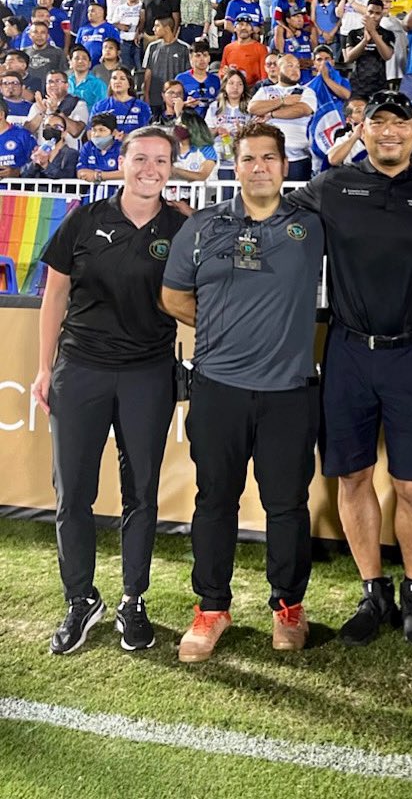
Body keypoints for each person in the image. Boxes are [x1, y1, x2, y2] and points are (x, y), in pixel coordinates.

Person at [287, 90, 412, 647]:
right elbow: (269, 208)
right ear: (361, 131)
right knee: (353, 476)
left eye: (400, 124)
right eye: (379, 123)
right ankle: (373, 588)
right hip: (346, 349)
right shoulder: (333, 187)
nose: (390, 132)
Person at [161, 121, 323, 663]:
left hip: (289, 393)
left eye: (269, 158)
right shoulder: (204, 226)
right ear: (236, 164)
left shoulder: (311, 223)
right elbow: (172, 295)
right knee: (214, 501)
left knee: (287, 506)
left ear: (284, 165)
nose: (259, 167)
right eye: (249, 158)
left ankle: (288, 607)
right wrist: (221, 331)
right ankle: (211, 608)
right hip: (217, 388)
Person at [33, 126, 185, 655]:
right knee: (72, 492)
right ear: (121, 163)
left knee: (141, 492)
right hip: (80, 370)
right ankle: (80, 599)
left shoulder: (182, 226)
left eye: (161, 160)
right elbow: (54, 297)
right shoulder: (86, 218)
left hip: (148, 374)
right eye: (140, 158)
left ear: (172, 167)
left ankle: (133, 599)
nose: (151, 168)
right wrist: (43, 368)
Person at [249, 54, 318, 181]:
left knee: (296, 199)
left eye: (297, 66)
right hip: (268, 157)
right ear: (278, 69)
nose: (295, 69)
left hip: (298, 159)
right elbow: (253, 108)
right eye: (290, 66)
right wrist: (282, 101)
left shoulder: (306, 91)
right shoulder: (265, 90)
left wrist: (271, 113)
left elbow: (301, 110)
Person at [205, 69, 252, 180]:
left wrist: (243, 133)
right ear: (224, 86)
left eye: (239, 84)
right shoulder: (214, 107)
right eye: (231, 83)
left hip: (242, 159)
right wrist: (217, 130)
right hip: (219, 160)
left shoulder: (250, 107)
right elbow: (205, 136)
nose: (235, 87)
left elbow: (256, 136)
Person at [142, 17, 190, 118]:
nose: (153, 29)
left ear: (167, 28)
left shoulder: (184, 48)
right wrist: (146, 95)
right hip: (155, 99)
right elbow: (148, 73)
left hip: (175, 99)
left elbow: (188, 74)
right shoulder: (152, 47)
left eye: (157, 26)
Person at [90, 68, 152, 137]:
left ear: (129, 84)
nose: (117, 81)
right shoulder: (99, 106)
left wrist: (126, 137)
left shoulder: (142, 106)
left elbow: (146, 133)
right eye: (114, 78)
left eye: (122, 79)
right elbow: (90, 133)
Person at [21, 111, 79, 179]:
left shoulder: (71, 154)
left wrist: (46, 166)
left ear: (64, 133)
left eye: (56, 127)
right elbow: (23, 176)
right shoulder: (37, 151)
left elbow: (68, 177)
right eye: (47, 126)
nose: (51, 129)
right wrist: (34, 163)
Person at [219, 15, 268, 87]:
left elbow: (264, 76)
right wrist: (223, 72)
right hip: (232, 87)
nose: (244, 27)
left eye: (247, 25)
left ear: (252, 30)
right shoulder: (228, 48)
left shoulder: (261, 48)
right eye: (241, 24)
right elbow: (222, 70)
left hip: (252, 90)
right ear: (235, 28)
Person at [68, 43, 109, 111]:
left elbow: (102, 109)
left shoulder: (98, 84)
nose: (80, 61)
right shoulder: (65, 82)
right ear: (70, 63)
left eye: (84, 58)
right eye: (77, 58)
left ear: (90, 64)